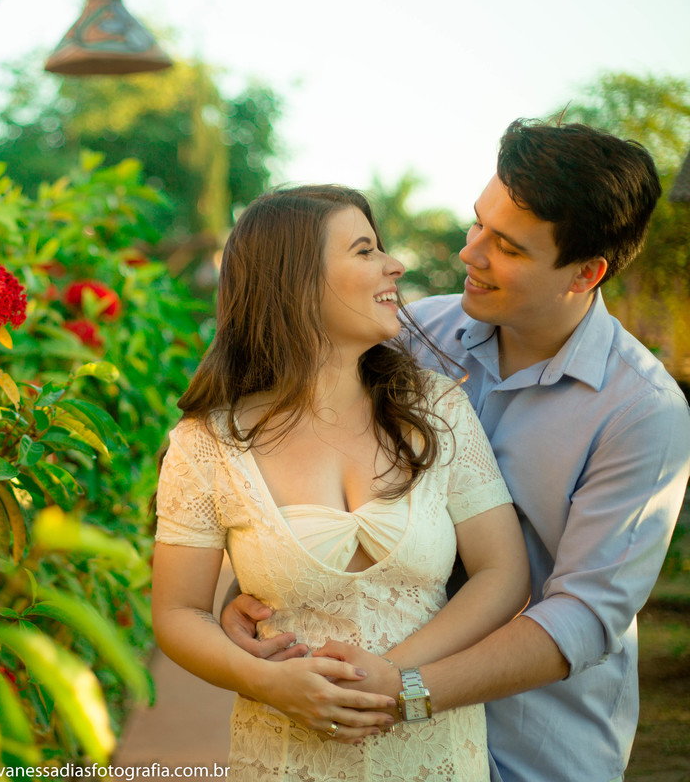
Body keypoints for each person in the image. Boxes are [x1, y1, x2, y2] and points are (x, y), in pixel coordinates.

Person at [221, 120, 690, 782]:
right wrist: (253, 591)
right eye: (478, 224)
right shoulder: (413, 335)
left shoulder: (642, 413)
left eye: (507, 247)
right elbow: (318, 466)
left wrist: (403, 688)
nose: (471, 252)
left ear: (585, 274)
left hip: (533, 750)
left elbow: (583, 615)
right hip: (371, 740)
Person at [151, 184, 530, 781]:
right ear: (295, 282)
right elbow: (177, 612)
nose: (394, 265)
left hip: (436, 755)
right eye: (364, 250)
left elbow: (503, 574)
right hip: (284, 754)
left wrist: (394, 677)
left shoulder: (437, 409)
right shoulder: (205, 444)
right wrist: (270, 683)